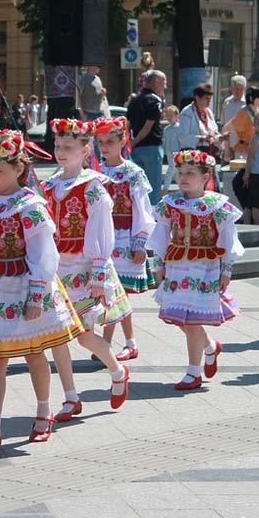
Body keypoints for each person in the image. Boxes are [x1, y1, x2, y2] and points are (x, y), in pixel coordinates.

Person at [0, 131, 84, 449]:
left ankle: (44, 413)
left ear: (19, 169)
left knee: (33, 352)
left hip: (25, 285)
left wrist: (37, 294)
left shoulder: (30, 206)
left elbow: (44, 254)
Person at [44, 118, 133, 422]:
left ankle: (118, 370)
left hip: (84, 269)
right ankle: (70, 397)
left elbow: (101, 230)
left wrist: (98, 272)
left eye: (68, 147)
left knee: (83, 334)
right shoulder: (50, 185)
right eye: (57, 145)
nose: (60, 151)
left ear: (85, 150)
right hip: (57, 269)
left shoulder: (93, 186)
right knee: (57, 335)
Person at [148, 150, 243, 390]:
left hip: (205, 268)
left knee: (190, 321)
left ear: (205, 176)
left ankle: (193, 372)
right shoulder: (171, 203)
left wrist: (226, 271)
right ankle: (210, 346)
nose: (183, 177)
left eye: (190, 173)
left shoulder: (217, 206)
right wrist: (157, 265)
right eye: (180, 173)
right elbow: (160, 236)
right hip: (177, 266)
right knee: (180, 318)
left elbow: (228, 239)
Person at [93, 116, 157, 361]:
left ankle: (108, 343)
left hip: (124, 240)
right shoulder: (96, 171)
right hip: (103, 240)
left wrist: (140, 241)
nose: (105, 146)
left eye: (110, 141)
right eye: (100, 141)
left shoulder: (132, 173)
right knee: (113, 294)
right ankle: (125, 342)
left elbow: (143, 210)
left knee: (116, 293)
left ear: (122, 141)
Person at [128, 69, 167, 204]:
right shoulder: (154, 100)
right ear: (155, 81)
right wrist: (134, 141)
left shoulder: (134, 100)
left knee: (138, 186)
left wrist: (131, 143)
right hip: (152, 148)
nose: (165, 86)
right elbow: (148, 126)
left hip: (136, 149)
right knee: (153, 187)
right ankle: (153, 216)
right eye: (163, 82)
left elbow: (128, 124)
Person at [231, 111, 259, 225]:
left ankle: (247, 223)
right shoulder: (255, 139)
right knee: (255, 204)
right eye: (258, 124)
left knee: (249, 203)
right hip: (256, 173)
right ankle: (257, 226)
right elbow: (250, 158)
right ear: (254, 125)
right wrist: (247, 174)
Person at [222, 86, 259, 159]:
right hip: (243, 152)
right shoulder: (243, 113)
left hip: (256, 150)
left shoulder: (257, 113)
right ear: (251, 98)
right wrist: (227, 149)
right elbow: (225, 130)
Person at [178, 83, 219, 152]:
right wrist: (202, 138)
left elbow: (214, 132)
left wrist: (221, 137)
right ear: (197, 98)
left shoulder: (209, 112)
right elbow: (183, 137)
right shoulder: (187, 112)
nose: (209, 101)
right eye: (206, 98)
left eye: (210, 98)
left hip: (208, 152)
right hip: (191, 154)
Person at [161, 105, 183, 194]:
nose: (169, 117)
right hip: (169, 153)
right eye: (168, 115)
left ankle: (165, 190)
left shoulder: (179, 128)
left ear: (177, 116)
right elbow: (165, 142)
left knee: (171, 171)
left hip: (177, 153)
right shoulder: (166, 129)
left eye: (171, 115)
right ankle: (183, 189)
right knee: (176, 173)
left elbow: (181, 141)